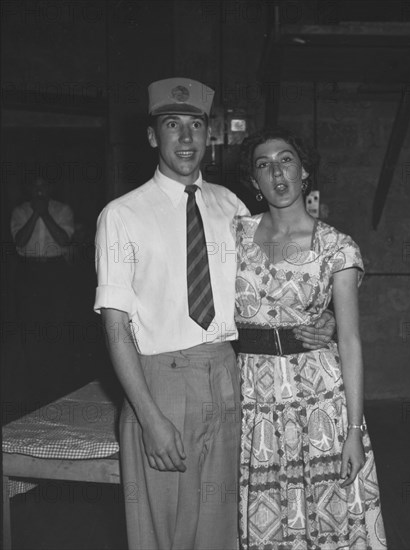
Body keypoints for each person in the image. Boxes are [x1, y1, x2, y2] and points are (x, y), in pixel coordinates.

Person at [93, 78, 334, 550]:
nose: (186, 138)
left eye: (195, 126)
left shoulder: (233, 206)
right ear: (151, 137)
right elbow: (115, 327)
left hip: (228, 375)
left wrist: (319, 320)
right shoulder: (122, 215)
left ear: (209, 134)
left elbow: (271, 292)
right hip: (161, 380)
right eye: (171, 125)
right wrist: (149, 417)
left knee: (223, 531)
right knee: (162, 535)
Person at [235, 128, 387, 549]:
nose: (276, 172)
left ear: (304, 173)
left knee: (329, 512)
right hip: (252, 399)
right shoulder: (233, 236)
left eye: (286, 160)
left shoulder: (337, 247)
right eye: (263, 165)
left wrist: (353, 430)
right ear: (253, 181)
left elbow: (351, 341)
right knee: (262, 515)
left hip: (319, 400)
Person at [11, 175, 75, 404]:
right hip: (29, 273)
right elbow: (19, 241)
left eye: (43, 185)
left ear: (50, 186)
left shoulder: (62, 210)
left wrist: (45, 213)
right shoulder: (19, 212)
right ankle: (34, 388)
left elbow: (64, 240)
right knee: (31, 328)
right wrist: (35, 213)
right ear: (29, 188)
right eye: (35, 186)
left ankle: (57, 387)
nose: (39, 191)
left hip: (55, 272)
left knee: (56, 328)